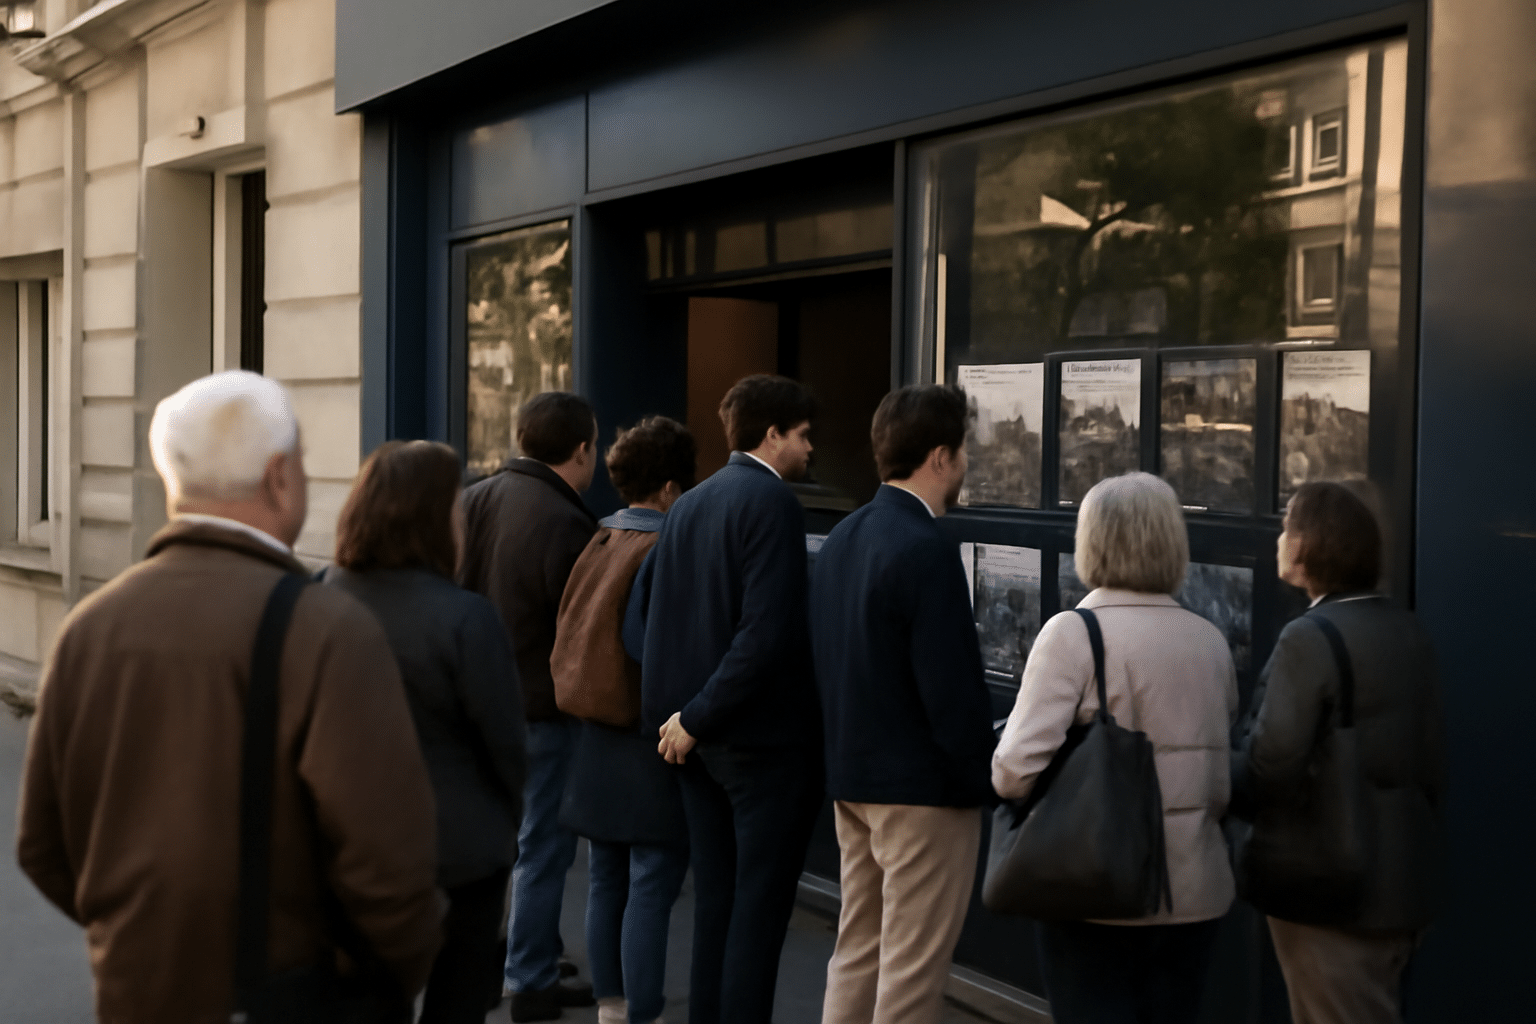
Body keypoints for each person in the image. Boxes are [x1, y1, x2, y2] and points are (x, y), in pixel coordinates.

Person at [16, 371, 441, 1023]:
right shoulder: (328, 630)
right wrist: (387, 972)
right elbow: (389, 861)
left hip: (136, 994)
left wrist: (140, 935)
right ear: (279, 476)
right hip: (294, 996)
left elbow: (44, 845)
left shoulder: (89, 628)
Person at [992, 472, 1237, 1024]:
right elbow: (1219, 776)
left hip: (1096, 891)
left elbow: (1013, 773)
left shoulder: (1072, 634)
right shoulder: (1210, 639)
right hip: (1196, 892)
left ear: (1092, 540)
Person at [631, 374, 823, 1024]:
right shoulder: (770, 505)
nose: (811, 448)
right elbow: (764, 635)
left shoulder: (690, 504)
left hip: (695, 741)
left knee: (716, 901)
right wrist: (697, 716)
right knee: (759, 912)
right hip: (756, 744)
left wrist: (676, 720)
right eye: (802, 435)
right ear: (771, 435)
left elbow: (659, 622)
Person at [810, 384, 998, 1024]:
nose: (967, 462)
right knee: (912, 979)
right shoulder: (927, 549)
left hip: (852, 779)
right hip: (922, 794)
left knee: (857, 950)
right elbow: (950, 692)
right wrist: (983, 773)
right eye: (963, 450)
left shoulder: (843, 537)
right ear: (941, 456)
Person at [324, 440, 529, 1024]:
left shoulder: (318, 597)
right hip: (459, 855)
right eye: (456, 510)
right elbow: (506, 746)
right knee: (456, 1006)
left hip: (350, 853)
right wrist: (505, 823)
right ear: (432, 519)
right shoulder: (465, 616)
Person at [1232, 482, 1444, 1024]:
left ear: (1307, 544)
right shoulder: (1406, 629)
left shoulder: (1310, 637)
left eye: (1286, 528)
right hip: (1403, 884)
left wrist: (1210, 769)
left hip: (1330, 893)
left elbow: (1270, 767)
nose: (1278, 539)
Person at [458, 391, 601, 1021]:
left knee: (494, 845)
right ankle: (531, 979)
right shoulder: (566, 522)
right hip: (539, 715)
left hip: (475, 707)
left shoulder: (473, 500)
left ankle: (505, 953)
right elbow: (578, 632)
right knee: (543, 849)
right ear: (581, 450)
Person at [551, 416, 697, 1024]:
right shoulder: (665, 547)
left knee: (607, 877)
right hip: (646, 740)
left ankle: (611, 1007)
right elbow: (652, 646)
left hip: (594, 735)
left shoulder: (600, 538)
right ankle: (643, 1012)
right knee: (650, 885)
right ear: (670, 487)